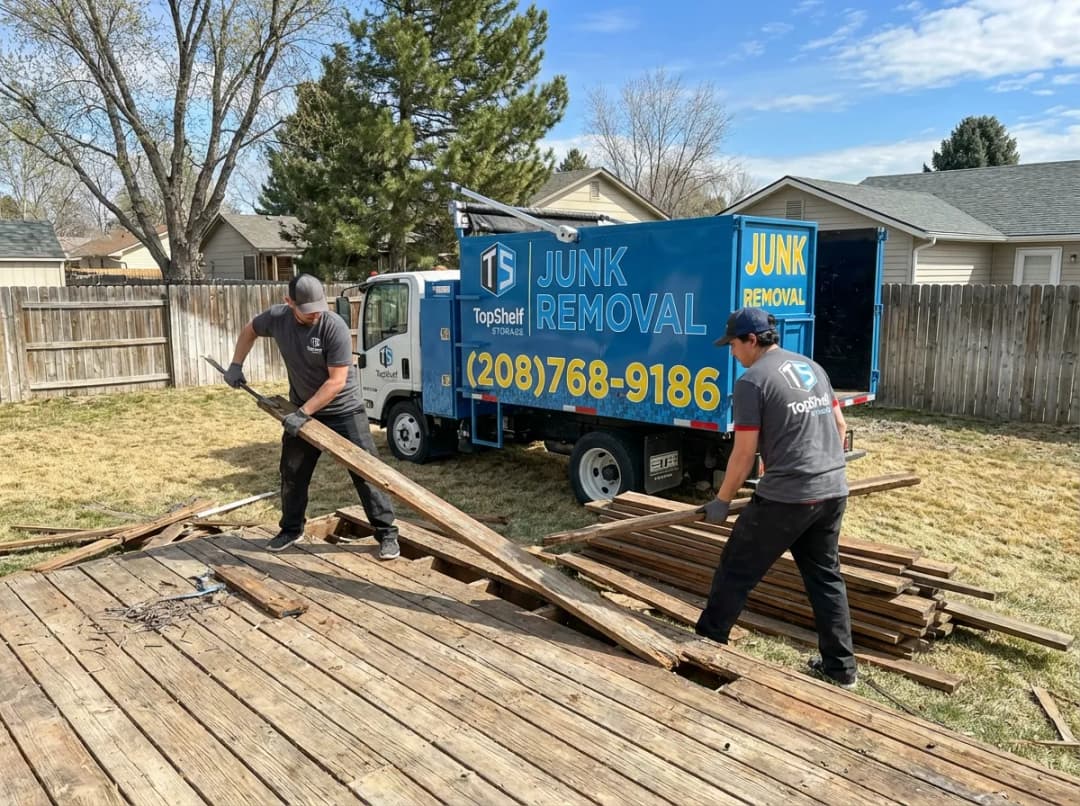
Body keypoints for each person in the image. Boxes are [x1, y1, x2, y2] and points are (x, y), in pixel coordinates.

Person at [694, 307, 857, 688]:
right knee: (825, 578)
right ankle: (841, 669)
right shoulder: (812, 367)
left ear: (752, 340)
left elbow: (743, 451)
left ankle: (703, 651)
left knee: (735, 571)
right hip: (833, 491)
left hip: (788, 498)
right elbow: (839, 425)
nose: (732, 352)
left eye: (733, 344)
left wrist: (721, 500)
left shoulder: (752, 382)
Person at [224, 273, 400, 559]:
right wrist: (235, 364)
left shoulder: (334, 327)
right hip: (301, 409)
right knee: (292, 472)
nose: (314, 314)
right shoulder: (277, 319)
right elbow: (249, 329)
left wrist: (303, 413)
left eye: (318, 307)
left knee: (366, 472)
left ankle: (387, 533)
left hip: (344, 411)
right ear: (288, 302)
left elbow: (336, 382)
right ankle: (292, 529)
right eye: (306, 311)